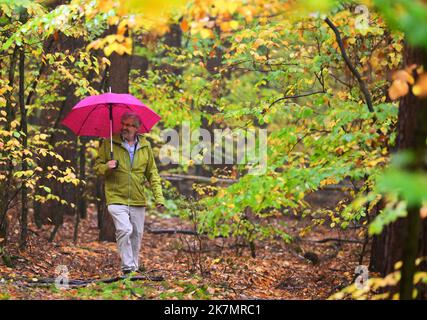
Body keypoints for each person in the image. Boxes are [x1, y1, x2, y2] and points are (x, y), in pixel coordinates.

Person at [94, 112, 165, 275]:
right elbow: (97, 167)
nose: (125, 127)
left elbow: (152, 173)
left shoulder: (145, 146)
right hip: (116, 196)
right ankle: (127, 267)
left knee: (137, 234)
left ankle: (133, 267)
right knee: (125, 230)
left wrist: (158, 197)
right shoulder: (110, 143)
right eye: (123, 124)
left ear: (137, 128)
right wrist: (106, 166)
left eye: (130, 125)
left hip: (137, 198)